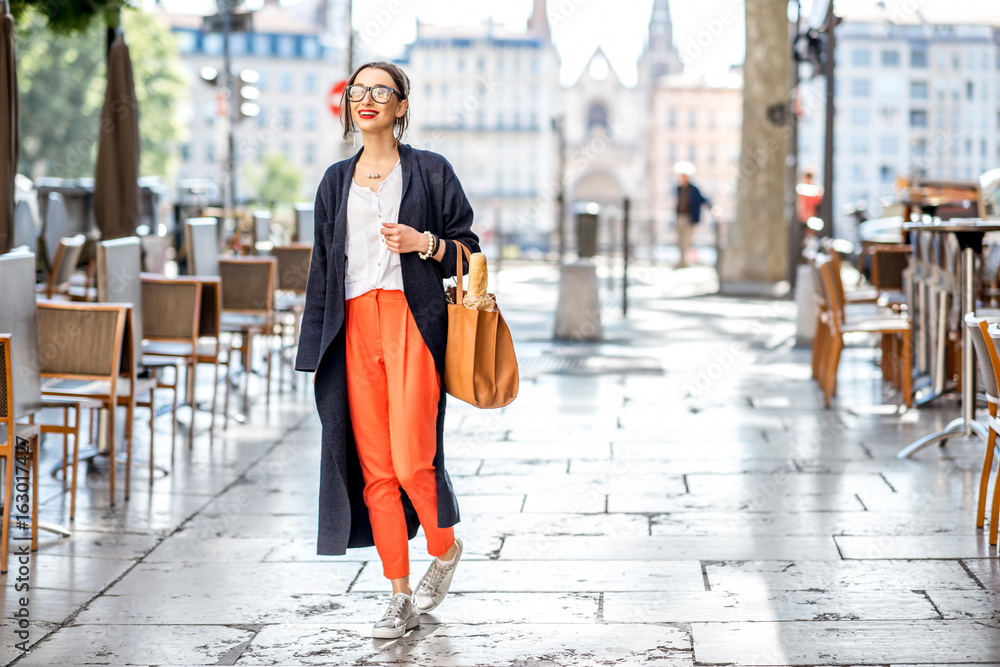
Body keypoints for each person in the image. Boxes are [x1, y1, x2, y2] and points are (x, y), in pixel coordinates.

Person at [295, 61, 479, 640]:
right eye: (358, 91)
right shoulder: (334, 181)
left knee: (411, 461)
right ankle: (398, 593)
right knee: (375, 470)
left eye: (380, 91)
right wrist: (314, 345)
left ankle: (444, 549)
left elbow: (469, 253)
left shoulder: (429, 171)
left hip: (411, 324)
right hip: (352, 329)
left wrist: (424, 242)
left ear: (401, 106)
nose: (365, 99)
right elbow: (322, 269)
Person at [673, 163, 710, 268]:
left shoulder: (693, 189)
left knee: (686, 241)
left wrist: (711, 207)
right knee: (679, 241)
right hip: (680, 217)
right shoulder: (679, 188)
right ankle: (681, 261)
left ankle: (684, 262)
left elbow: (702, 200)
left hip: (690, 218)